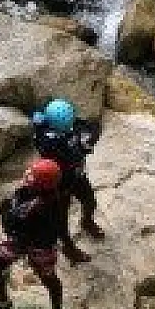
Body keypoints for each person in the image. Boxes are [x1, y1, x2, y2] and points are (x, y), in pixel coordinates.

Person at [0, 158, 91, 309]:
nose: (27, 176)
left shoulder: (38, 206)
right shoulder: (48, 197)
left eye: (32, 176)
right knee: (48, 279)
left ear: (39, 186)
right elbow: (60, 227)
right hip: (35, 243)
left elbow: (12, 221)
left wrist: (7, 209)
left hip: (31, 243)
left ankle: (7, 304)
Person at [31, 99, 103, 239]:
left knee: (90, 201)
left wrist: (89, 135)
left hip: (76, 175)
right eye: (68, 124)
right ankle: (68, 246)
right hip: (58, 182)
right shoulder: (47, 141)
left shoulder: (52, 122)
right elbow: (72, 155)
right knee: (61, 217)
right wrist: (85, 146)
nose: (72, 125)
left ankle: (87, 222)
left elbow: (89, 126)